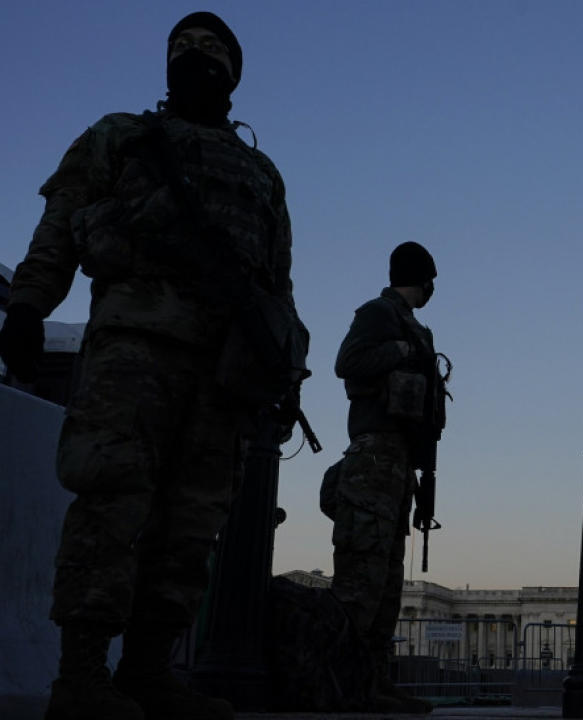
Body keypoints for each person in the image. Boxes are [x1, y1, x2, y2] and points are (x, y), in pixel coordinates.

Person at [0, 12, 306, 720]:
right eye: (182, 52)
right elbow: (59, 226)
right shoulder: (123, 136)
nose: (194, 63)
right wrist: (27, 306)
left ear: (234, 74)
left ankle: (147, 671)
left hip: (221, 371)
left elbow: (276, 285)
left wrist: (281, 373)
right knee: (111, 504)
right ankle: (79, 676)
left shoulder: (260, 175)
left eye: (210, 54)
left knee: (191, 526)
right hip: (132, 348)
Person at [332, 241, 445, 714]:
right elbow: (347, 363)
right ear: (422, 279)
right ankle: (341, 683)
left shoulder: (419, 328)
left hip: (401, 458)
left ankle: (374, 680)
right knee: (362, 574)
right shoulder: (379, 313)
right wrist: (400, 349)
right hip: (375, 451)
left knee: (388, 581)